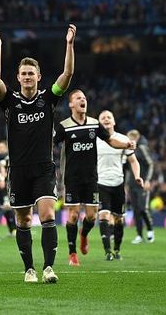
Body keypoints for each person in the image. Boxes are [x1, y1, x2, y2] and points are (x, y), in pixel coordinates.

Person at [0, 24, 76, 283]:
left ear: (39, 77)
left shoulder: (48, 98)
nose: (27, 77)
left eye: (31, 73)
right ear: (18, 77)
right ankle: (29, 269)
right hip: (18, 169)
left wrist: (69, 45)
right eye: (24, 73)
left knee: (48, 214)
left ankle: (48, 267)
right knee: (24, 219)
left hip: (43, 167)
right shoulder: (10, 101)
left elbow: (67, 74)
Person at [54, 91, 136, 267]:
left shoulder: (94, 124)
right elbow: (50, 144)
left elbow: (110, 141)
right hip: (72, 178)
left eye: (84, 98)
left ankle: (83, 235)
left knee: (91, 217)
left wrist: (126, 144)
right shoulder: (64, 126)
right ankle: (72, 253)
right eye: (78, 98)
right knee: (74, 215)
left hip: (91, 178)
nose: (83, 100)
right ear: (71, 105)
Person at [97, 110, 143, 260]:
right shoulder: (94, 140)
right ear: (99, 123)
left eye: (109, 117)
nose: (106, 119)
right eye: (103, 118)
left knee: (118, 219)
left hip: (118, 184)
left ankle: (117, 250)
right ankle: (107, 251)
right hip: (100, 182)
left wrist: (137, 176)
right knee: (103, 214)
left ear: (114, 121)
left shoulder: (123, 140)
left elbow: (133, 161)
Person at [126, 129, 155, 244]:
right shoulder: (128, 150)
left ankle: (150, 231)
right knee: (136, 210)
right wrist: (127, 184)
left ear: (136, 138)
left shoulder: (142, 148)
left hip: (142, 184)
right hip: (132, 184)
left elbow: (151, 164)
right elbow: (128, 170)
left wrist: (148, 180)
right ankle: (139, 235)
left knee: (143, 209)